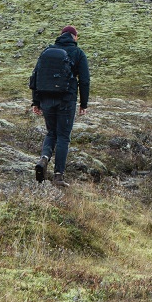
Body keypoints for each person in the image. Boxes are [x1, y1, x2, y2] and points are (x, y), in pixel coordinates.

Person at [30, 25, 90, 187]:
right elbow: (84, 80)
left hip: (46, 99)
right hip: (66, 99)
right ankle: (58, 177)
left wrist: (36, 102)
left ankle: (44, 158)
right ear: (74, 37)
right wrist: (83, 104)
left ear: (61, 35)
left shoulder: (47, 52)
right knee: (63, 136)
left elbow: (35, 77)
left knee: (51, 133)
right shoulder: (78, 53)